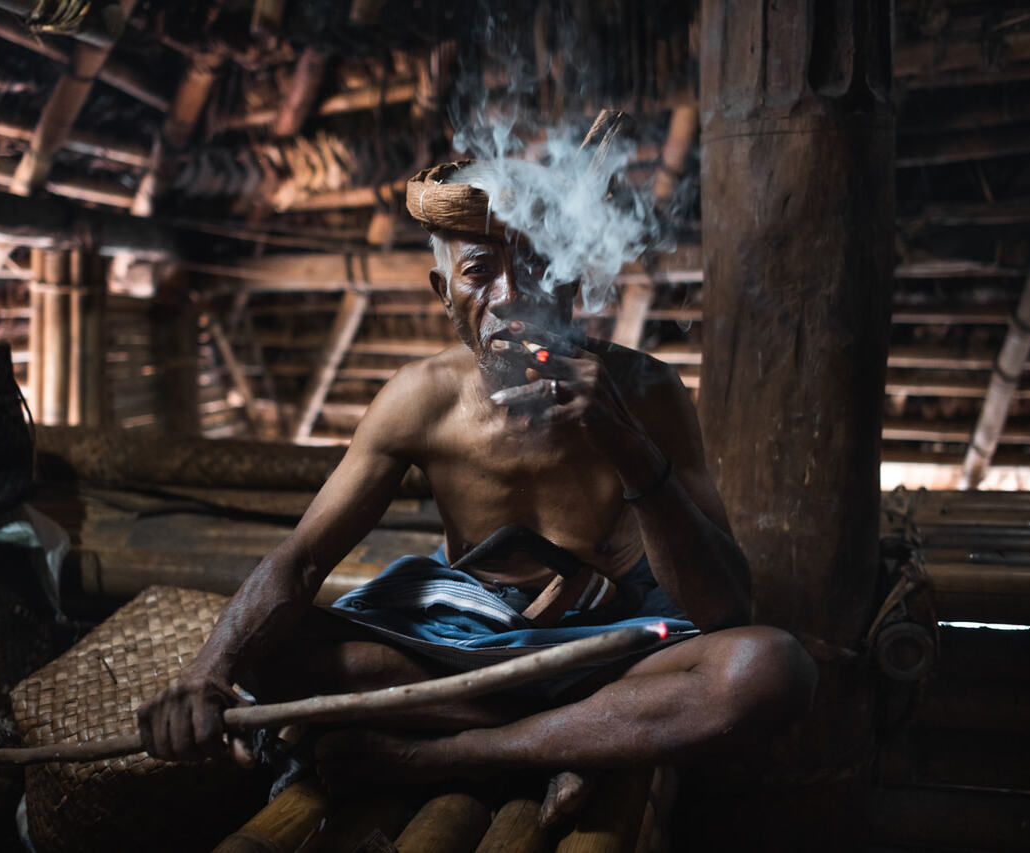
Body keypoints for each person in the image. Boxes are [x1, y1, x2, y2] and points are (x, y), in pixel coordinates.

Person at [139, 161, 817, 825]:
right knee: (271, 652)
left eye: (537, 266)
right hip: (459, 656)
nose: (510, 295)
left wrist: (622, 438)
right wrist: (209, 669)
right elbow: (303, 560)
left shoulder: (646, 392)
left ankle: (458, 755)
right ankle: (583, 738)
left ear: (574, 278)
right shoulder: (419, 400)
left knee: (768, 668)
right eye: (479, 272)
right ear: (443, 290)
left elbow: (727, 607)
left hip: (611, 658)